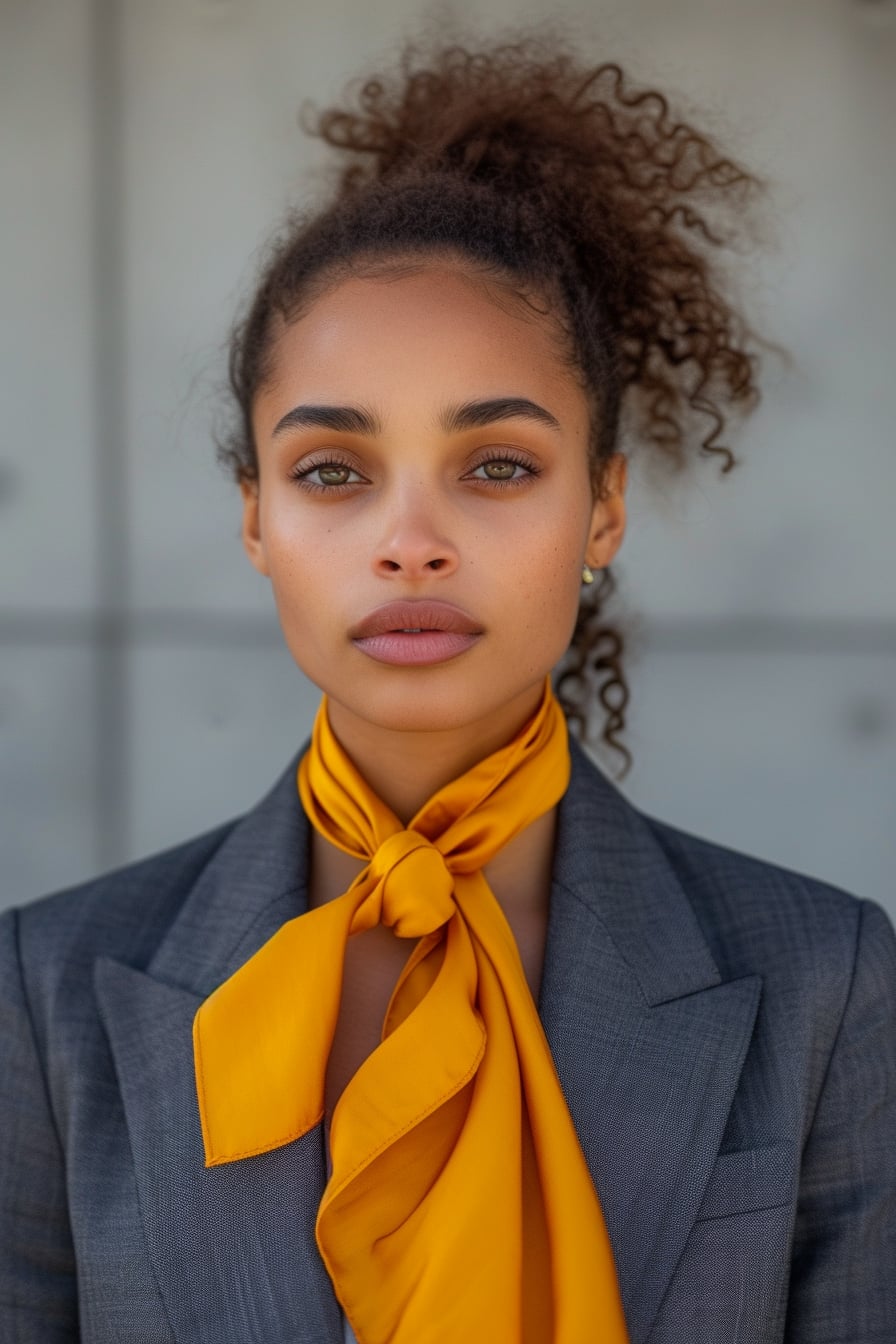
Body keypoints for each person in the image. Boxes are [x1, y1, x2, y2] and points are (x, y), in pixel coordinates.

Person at [1, 32, 894, 1344]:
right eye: (331, 472)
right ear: (254, 520)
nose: (410, 541)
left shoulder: (828, 983)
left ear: (604, 507)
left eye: (495, 467)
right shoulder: (48, 992)